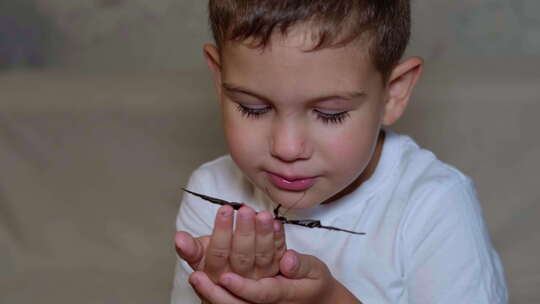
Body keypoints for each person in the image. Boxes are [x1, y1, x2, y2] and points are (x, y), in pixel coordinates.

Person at [171, 1, 508, 303]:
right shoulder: (212, 194)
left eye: (330, 114)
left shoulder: (434, 206)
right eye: (253, 108)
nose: (287, 148)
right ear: (219, 79)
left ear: (393, 94)